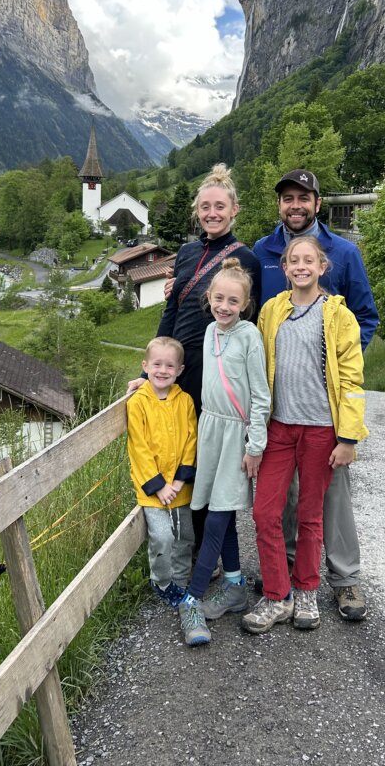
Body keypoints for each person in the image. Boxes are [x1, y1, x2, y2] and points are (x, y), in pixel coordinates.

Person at [252, 169, 379, 621]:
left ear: (318, 203)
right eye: (288, 198)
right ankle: (285, 576)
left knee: (330, 495)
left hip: (325, 411)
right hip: (281, 412)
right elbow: (244, 313)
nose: (295, 205)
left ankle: (344, 579)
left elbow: (365, 316)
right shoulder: (261, 252)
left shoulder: (343, 252)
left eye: (303, 197)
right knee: (279, 500)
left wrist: (335, 366)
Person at [128, 163, 261, 552]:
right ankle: (180, 545)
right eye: (205, 207)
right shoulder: (186, 254)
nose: (212, 213)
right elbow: (170, 314)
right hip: (181, 374)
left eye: (220, 206)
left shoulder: (246, 260)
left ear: (234, 209)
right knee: (177, 455)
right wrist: (154, 370)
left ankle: (213, 551)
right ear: (197, 211)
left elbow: (246, 328)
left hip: (217, 380)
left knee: (212, 466)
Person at [177, 259, 271, 646]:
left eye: (234, 300)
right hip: (211, 431)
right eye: (219, 298)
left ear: (246, 304)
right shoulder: (210, 332)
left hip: (237, 436)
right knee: (221, 512)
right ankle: (233, 585)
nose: (225, 306)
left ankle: (192, 598)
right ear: (209, 299)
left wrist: (256, 446)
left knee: (217, 518)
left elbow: (261, 396)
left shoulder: (249, 336)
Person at [126, 337, 197, 607]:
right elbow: (139, 448)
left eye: (170, 365)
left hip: (180, 488)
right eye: (157, 364)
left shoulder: (185, 401)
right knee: (163, 537)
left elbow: (191, 440)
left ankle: (180, 583)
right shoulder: (138, 403)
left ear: (179, 370)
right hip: (153, 491)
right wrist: (158, 486)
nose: (163, 370)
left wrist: (179, 481)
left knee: (184, 536)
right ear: (145, 366)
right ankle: (162, 582)